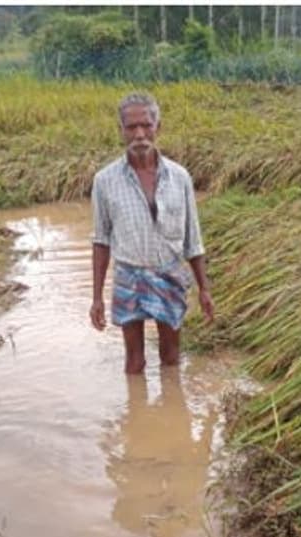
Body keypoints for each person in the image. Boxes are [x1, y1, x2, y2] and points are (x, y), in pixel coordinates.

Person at [89, 92, 214, 375]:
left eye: (146, 125)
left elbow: (192, 239)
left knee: (171, 357)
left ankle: (173, 414)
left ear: (159, 127)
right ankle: (137, 412)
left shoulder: (179, 177)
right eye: (131, 127)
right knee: (134, 363)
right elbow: (100, 241)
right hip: (128, 276)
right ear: (121, 131)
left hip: (169, 274)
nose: (140, 134)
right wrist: (96, 297)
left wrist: (204, 289)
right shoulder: (105, 180)